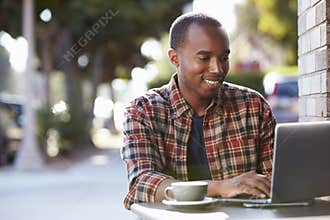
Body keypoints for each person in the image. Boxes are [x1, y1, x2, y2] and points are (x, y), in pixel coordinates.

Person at [121, 12, 276, 209]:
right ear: (175, 58)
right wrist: (221, 187)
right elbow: (142, 185)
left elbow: (277, 179)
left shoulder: (254, 106)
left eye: (224, 58)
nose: (218, 69)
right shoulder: (143, 111)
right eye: (204, 58)